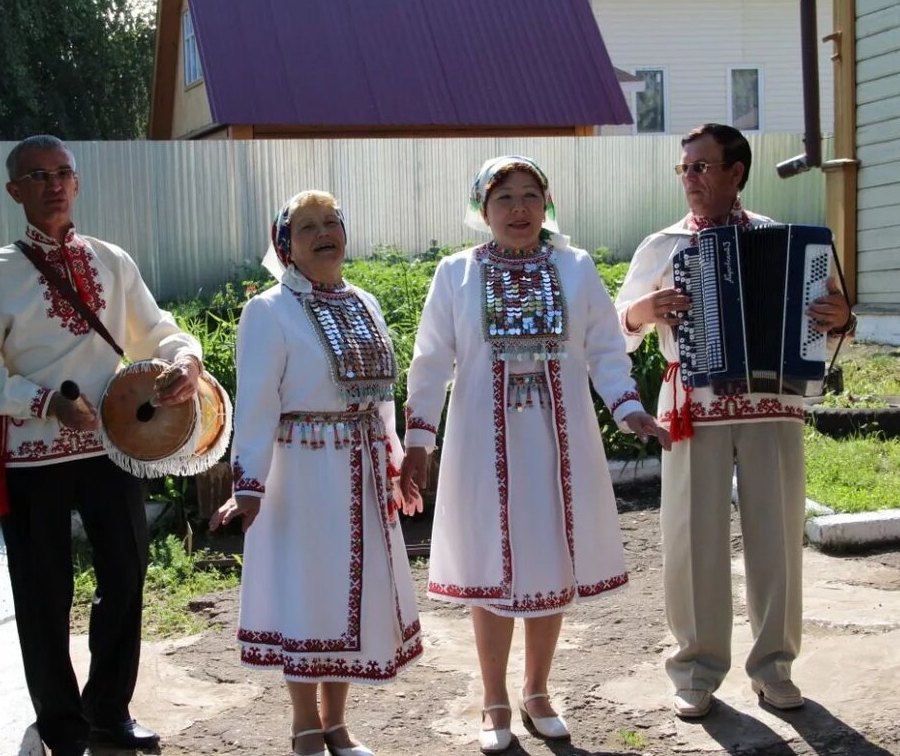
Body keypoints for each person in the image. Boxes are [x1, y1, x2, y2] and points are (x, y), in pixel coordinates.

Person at [398, 156, 670, 753]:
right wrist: (419, 442)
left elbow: (604, 348)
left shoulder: (574, 268)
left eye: (530, 196)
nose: (518, 210)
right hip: (479, 443)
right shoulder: (456, 274)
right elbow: (431, 360)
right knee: (489, 563)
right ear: (483, 210)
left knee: (552, 559)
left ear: (548, 204)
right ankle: (494, 698)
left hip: (557, 440)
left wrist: (629, 408)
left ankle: (538, 690)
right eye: (504, 199)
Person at [0, 135, 204, 756]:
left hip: (113, 449)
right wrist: (44, 403)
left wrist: (187, 359)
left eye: (63, 172)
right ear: (15, 191)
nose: (54, 184)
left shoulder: (112, 260)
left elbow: (158, 331)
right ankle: (62, 729)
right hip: (35, 457)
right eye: (37, 176)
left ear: (78, 182)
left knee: (126, 575)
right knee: (43, 594)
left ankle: (109, 714)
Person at [614, 123, 854, 719]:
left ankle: (775, 667)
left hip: (774, 402)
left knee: (777, 539)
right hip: (694, 405)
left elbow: (835, 316)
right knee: (692, 539)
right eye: (684, 168)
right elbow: (616, 326)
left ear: (735, 172)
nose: (690, 179)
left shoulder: (791, 242)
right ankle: (696, 669)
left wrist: (840, 315)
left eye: (701, 167)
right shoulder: (662, 246)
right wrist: (643, 310)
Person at [209, 190, 423, 756]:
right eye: (307, 227)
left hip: (364, 469)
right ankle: (305, 722)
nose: (324, 232)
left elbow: (383, 400)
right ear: (287, 247)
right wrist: (248, 487)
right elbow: (254, 402)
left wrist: (398, 465)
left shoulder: (366, 303)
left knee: (351, 601)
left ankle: (338, 724)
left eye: (331, 222)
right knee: (309, 595)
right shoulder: (269, 310)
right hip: (300, 476)